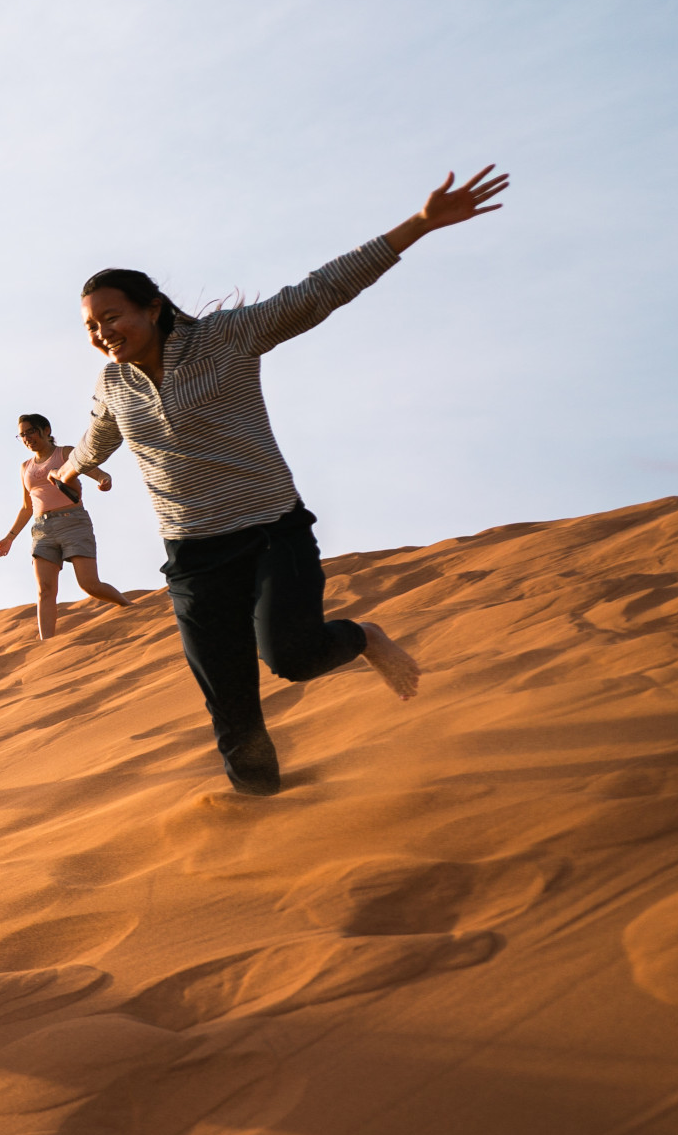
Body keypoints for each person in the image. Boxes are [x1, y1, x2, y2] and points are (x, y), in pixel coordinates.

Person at [56, 166, 508, 796]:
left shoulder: (226, 339)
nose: (103, 332)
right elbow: (100, 432)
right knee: (232, 709)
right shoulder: (113, 382)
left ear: (153, 308)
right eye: (91, 327)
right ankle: (261, 810)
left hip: (270, 531)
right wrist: (71, 469)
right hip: (192, 555)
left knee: (290, 658)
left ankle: (360, 637)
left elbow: (316, 292)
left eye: (112, 316)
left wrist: (420, 226)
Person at [0, 412, 133, 639]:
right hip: (42, 530)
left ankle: (130, 608)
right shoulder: (24, 467)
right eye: (22, 436)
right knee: (44, 591)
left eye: (30, 432)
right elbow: (27, 507)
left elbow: (97, 472)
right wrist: (10, 537)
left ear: (46, 430)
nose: (27, 438)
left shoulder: (65, 453)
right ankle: (46, 644)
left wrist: (104, 480)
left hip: (73, 522)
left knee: (89, 584)